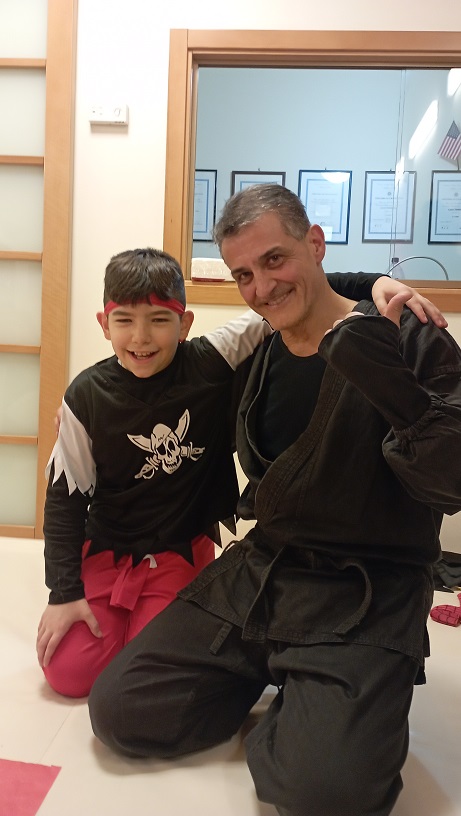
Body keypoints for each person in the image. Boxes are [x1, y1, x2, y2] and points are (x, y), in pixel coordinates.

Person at [88, 185, 461, 816]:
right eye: (243, 274)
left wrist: (384, 375)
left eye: (275, 260)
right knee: (123, 709)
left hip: (368, 587)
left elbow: (450, 481)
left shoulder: (408, 334)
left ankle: (319, 703)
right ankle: (299, 684)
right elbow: (155, 376)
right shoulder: (257, 347)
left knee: (327, 794)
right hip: (266, 571)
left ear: (315, 243)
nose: (261, 287)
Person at [39, 246, 411, 698]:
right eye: (124, 320)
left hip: (180, 550)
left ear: (185, 323)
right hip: (106, 549)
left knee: (150, 669)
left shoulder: (211, 358)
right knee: (68, 672)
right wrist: (63, 594)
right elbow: (63, 503)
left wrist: (374, 282)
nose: (141, 336)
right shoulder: (85, 397)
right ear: (104, 324)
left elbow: (295, 295)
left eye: (159, 319)